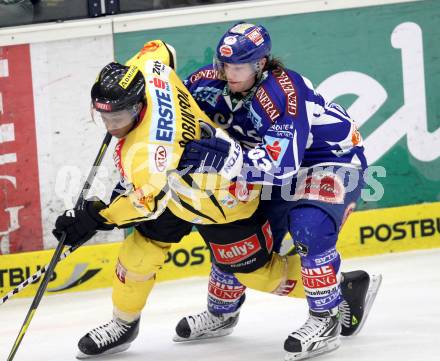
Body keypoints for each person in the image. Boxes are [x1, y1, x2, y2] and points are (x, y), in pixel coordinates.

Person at [52, 39, 319, 360]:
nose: (110, 126)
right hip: (177, 186)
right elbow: (162, 48)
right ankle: (123, 324)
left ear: (138, 107)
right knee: (139, 253)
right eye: (104, 116)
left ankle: (336, 288)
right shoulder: (147, 70)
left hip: (220, 197)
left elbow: (143, 204)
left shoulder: (150, 154)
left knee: (256, 273)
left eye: (118, 118)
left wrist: (95, 218)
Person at [175, 23, 382, 361]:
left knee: (309, 228)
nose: (229, 73)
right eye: (225, 65)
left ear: (261, 64)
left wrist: (229, 159)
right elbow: (174, 102)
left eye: (239, 67)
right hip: (269, 163)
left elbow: (282, 164)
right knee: (231, 222)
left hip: (329, 161)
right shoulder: (207, 80)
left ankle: (325, 320)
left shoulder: (282, 92)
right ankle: (222, 313)